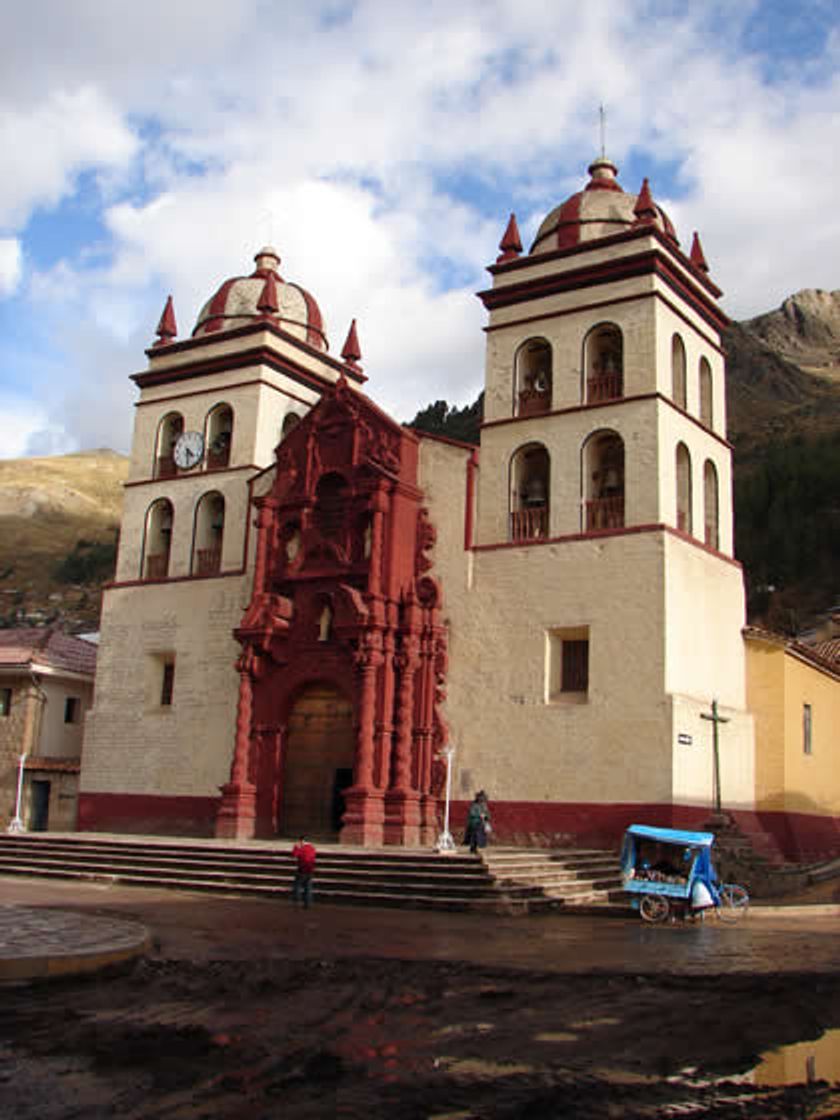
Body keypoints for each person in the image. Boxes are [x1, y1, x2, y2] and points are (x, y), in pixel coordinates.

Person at [291, 835, 316, 908]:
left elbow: (294, 855)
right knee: (308, 887)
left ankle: (297, 901)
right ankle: (307, 903)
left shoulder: (302, 848)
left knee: (297, 886)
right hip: (310, 869)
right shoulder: (312, 848)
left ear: (302, 841)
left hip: (302, 870)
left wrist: (296, 847)